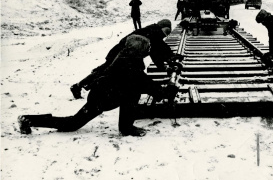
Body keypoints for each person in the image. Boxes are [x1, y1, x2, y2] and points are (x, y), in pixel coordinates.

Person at [17, 34, 178, 137]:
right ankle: (126, 129)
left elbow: (145, 83)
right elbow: (154, 90)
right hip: (104, 99)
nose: (149, 51)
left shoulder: (123, 58)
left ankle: (29, 120)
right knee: (132, 93)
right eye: (147, 49)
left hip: (100, 94)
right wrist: (171, 88)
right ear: (139, 52)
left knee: (73, 123)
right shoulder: (132, 69)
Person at [70, 19, 174, 99]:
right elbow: (156, 51)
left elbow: (160, 46)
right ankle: (79, 86)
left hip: (121, 53)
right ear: (161, 27)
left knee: (104, 70)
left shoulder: (151, 31)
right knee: (105, 71)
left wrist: (169, 56)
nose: (165, 35)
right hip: (121, 54)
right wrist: (165, 64)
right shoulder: (152, 33)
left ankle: (78, 86)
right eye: (166, 31)